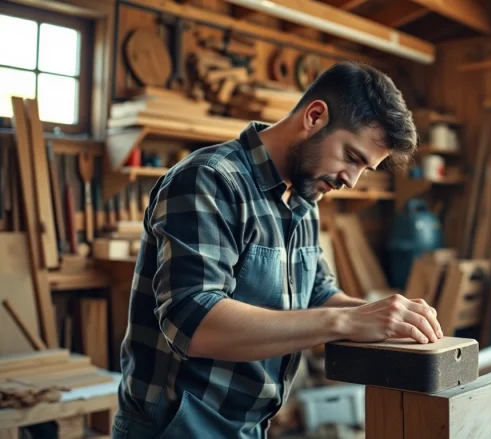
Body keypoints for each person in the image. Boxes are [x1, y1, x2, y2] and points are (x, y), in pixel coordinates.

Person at [111, 61, 443, 439]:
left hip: (250, 427)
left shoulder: (303, 199)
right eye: (352, 157)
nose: (351, 181)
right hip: (176, 428)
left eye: (366, 169)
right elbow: (192, 322)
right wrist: (347, 322)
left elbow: (318, 295)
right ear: (315, 116)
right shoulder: (211, 179)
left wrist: (387, 317)